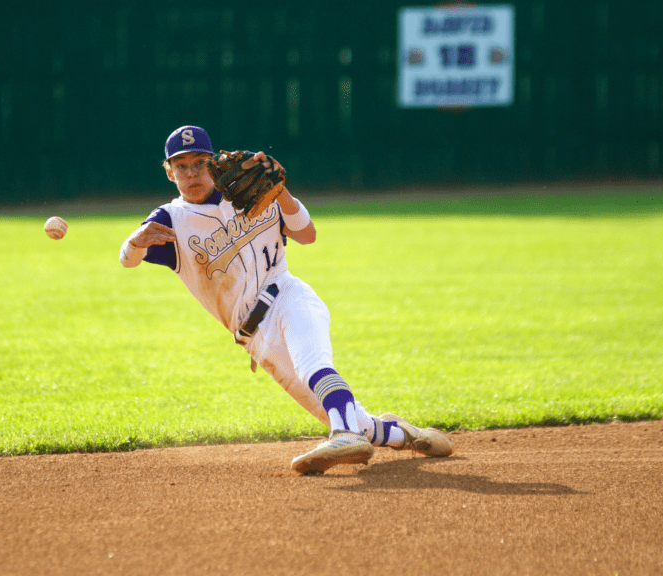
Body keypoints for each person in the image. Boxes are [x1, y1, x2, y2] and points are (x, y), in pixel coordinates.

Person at [119, 125, 453, 474]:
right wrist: (136, 241)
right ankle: (407, 435)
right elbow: (127, 259)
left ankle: (342, 433)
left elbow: (307, 234)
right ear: (169, 171)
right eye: (182, 165)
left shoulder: (252, 192)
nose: (192, 173)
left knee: (314, 368)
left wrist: (282, 193)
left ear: (214, 163)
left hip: (288, 297)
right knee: (355, 420)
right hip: (256, 340)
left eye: (200, 163)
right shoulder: (170, 220)